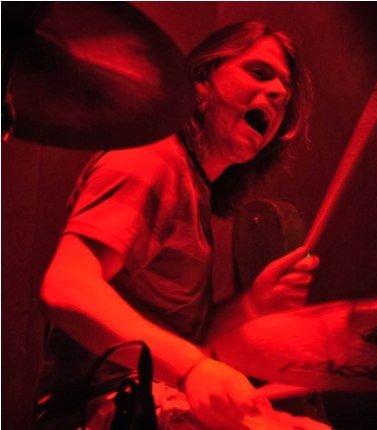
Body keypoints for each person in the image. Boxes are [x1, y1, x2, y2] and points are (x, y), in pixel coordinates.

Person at [37, 21, 327, 429]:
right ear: (202, 81)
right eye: (259, 72)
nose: (279, 93)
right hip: (106, 409)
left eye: (286, 91)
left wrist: (253, 303)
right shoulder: (149, 159)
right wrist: (192, 369)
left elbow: (186, 342)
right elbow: (65, 288)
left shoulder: (193, 186)